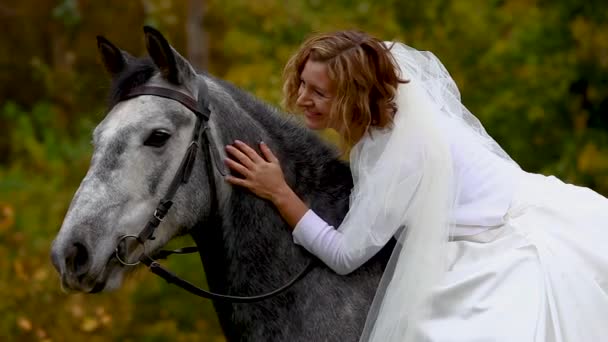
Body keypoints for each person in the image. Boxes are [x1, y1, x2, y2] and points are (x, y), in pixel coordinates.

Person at [223, 30, 608, 341]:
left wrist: (279, 192)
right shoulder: (387, 103)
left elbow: (344, 256)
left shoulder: (398, 152)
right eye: (304, 83)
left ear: (354, 97)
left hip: (503, 242)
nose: (303, 98)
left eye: (319, 93)